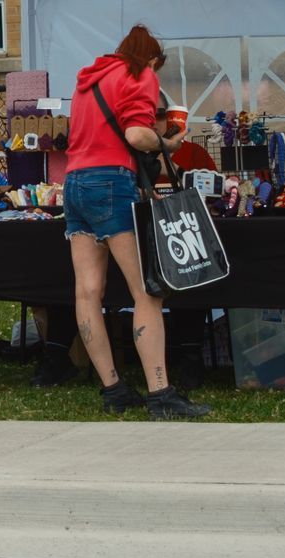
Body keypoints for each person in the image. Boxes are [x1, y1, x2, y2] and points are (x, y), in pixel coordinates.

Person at [64, 25, 209, 420]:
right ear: (151, 58)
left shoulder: (87, 80)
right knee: (146, 293)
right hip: (111, 182)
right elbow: (135, 134)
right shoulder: (140, 74)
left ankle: (113, 389)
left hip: (74, 184)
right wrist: (169, 143)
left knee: (87, 293)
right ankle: (160, 395)